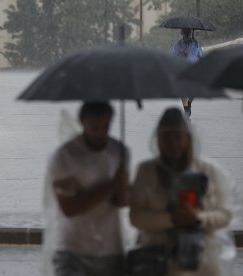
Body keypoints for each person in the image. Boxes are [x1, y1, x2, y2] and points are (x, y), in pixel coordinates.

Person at [130, 107, 232, 276]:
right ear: (158, 140)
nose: (173, 144)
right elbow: (136, 217)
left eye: (178, 136)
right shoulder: (147, 171)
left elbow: (225, 214)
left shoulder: (208, 171)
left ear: (188, 139)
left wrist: (197, 218)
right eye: (166, 137)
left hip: (202, 262)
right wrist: (171, 219)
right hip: (158, 263)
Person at [44, 102, 130, 276]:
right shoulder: (65, 156)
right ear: (82, 122)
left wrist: (124, 187)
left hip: (110, 248)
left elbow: (121, 202)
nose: (100, 133)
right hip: (72, 248)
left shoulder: (119, 152)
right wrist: (112, 185)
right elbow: (70, 208)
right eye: (94, 127)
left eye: (105, 126)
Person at [173, 28, 203, 118]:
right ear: (182, 33)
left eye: (188, 33)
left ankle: (188, 104)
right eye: (185, 33)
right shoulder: (177, 44)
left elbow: (201, 56)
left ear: (191, 33)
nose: (187, 34)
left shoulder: (196, 44)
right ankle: (186, 108)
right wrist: (182, 53)